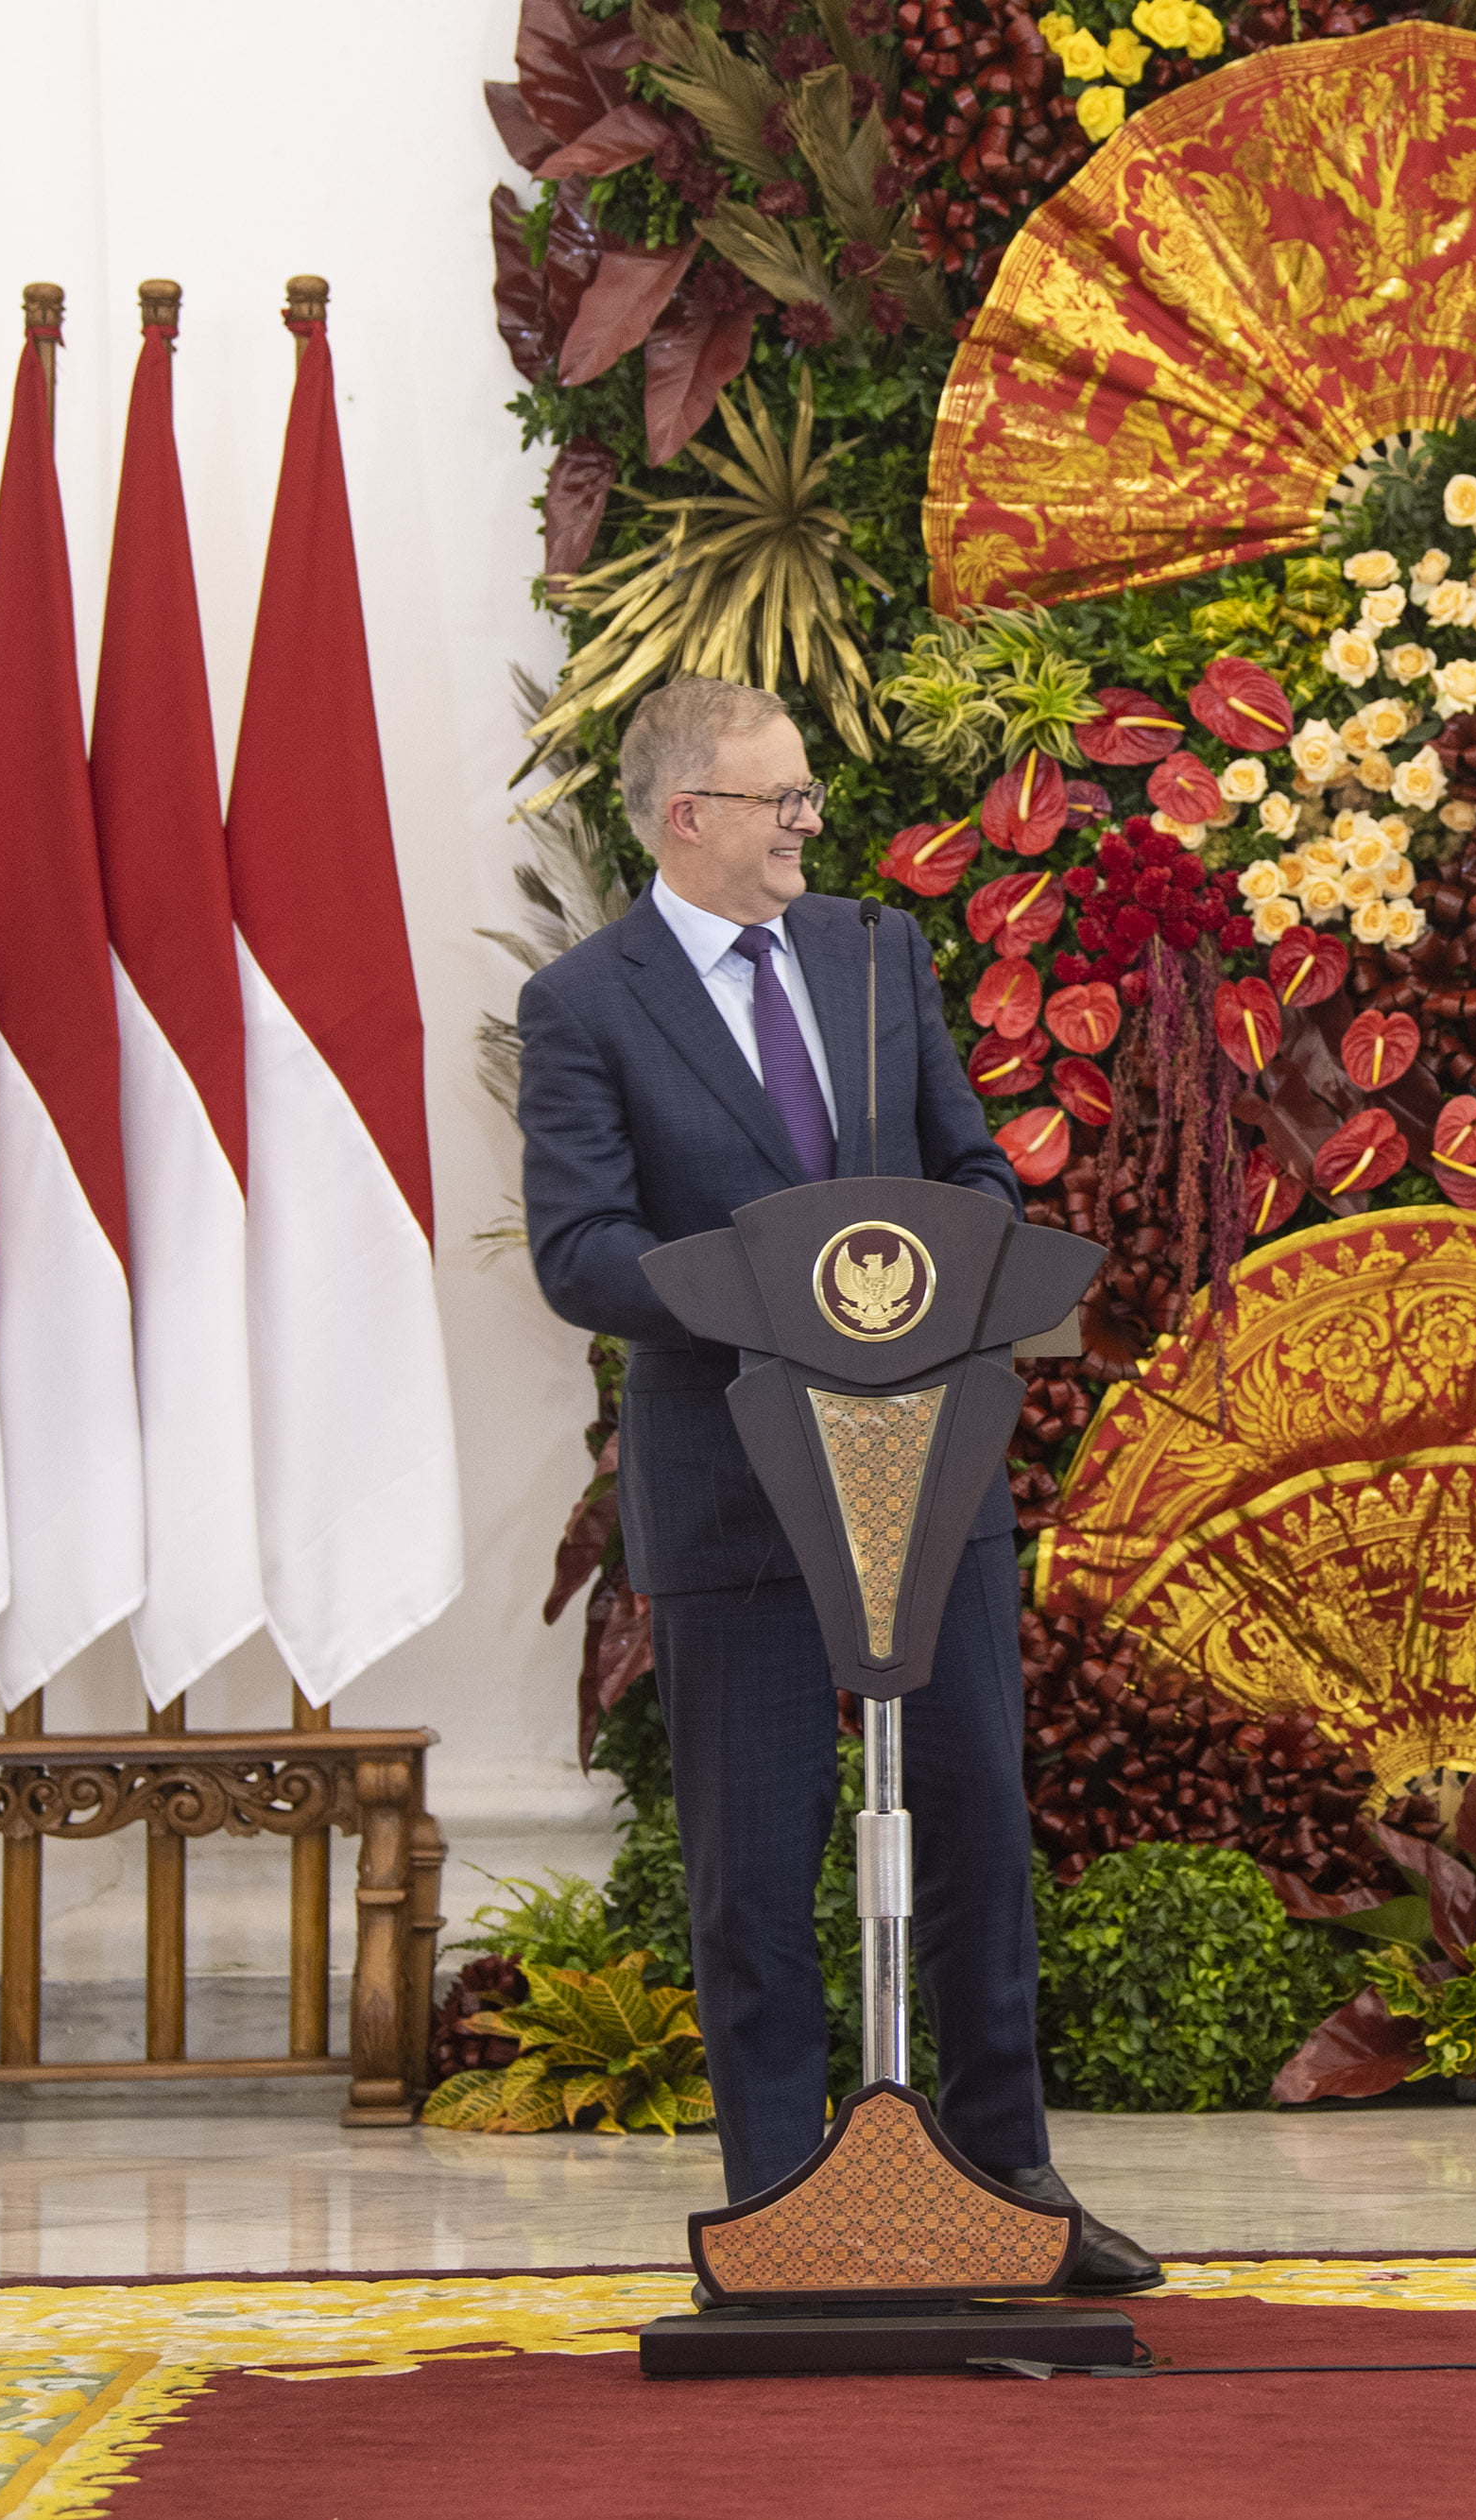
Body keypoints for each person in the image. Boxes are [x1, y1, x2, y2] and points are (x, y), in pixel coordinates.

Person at [518, 675, 1156, 2291]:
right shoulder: (590, 1004)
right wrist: (784, 1287)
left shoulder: (876, 956)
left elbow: (960, 1168)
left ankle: (1014, 2179)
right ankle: (786, 2211)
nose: (810, 825)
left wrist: (930, 1254)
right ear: (688, 818)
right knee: (751, 1864)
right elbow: (582, 1254)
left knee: (975, 1832)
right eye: (781, 800)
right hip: (737, 1507)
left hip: (925, 1479)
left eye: (807, 799)